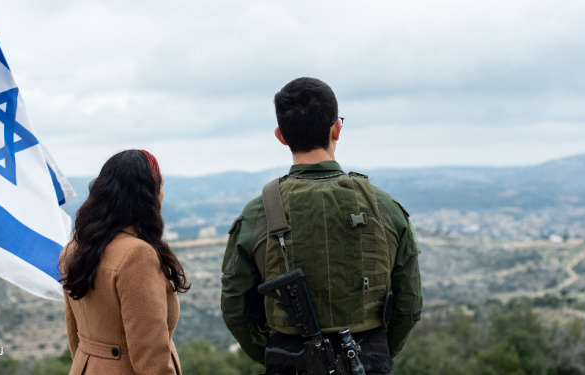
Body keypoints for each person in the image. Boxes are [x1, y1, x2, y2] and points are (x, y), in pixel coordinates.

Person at [221, 77, 423, 374]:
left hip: (288, 359)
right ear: (336, 129)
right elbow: (409, 303)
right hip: (368, 359)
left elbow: (235, 307)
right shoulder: (385, 208)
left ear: (281, 136)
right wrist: (378, 353)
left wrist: (274, 355)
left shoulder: (257, 213)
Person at [60, 150, 189, 375]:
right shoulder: (137, 255)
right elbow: (151, 355)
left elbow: (74, 334)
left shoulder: (74, 248)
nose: (162, 194)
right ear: (147, 195)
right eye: (160, 186)